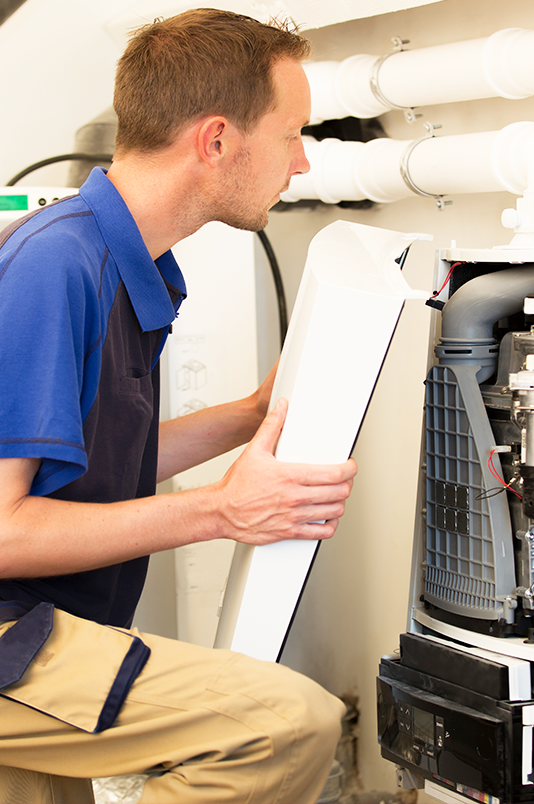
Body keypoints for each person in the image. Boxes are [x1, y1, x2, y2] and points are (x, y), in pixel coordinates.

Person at [0, 9, 357, 804]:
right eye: (292, 133)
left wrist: (250, 414)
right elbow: (4, 530)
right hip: (13, 633)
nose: (301, 160)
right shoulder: (55, 265)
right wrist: (222, 511)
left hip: (42, 623)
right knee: (283, 724)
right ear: (217, 139)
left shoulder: (120, 261)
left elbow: (87, 468)